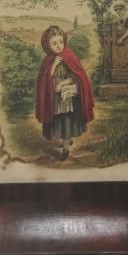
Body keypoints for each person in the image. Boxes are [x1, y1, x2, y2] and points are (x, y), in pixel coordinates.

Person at [35, 25, 94, 160]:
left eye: (60, 42)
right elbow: (45, 79)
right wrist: (54, 65)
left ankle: (66, 148)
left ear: (64, 41)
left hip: (67, 98)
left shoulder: (69, 56)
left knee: (67, 120)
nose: (58, 46)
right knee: (58, 121)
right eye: (54, 43)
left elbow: (77, 77)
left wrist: (63, 83)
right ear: (48, 45)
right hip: (54, 99)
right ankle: (65, 139)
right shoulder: (48, 60)